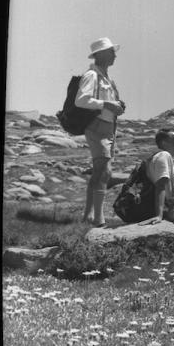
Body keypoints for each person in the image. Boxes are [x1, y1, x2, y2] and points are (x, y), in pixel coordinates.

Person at [76, 37, 126, 226]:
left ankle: (88, 216)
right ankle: (99, 219)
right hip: (97, 127)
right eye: (112, 51)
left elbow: (110, 106)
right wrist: (107, 104)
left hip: (108, 128)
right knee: (105, 172)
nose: (114, 55)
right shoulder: (92, 75)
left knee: (99, 172)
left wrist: (117, 106)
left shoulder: (107, 78)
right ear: (102, 54)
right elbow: (81, 101)